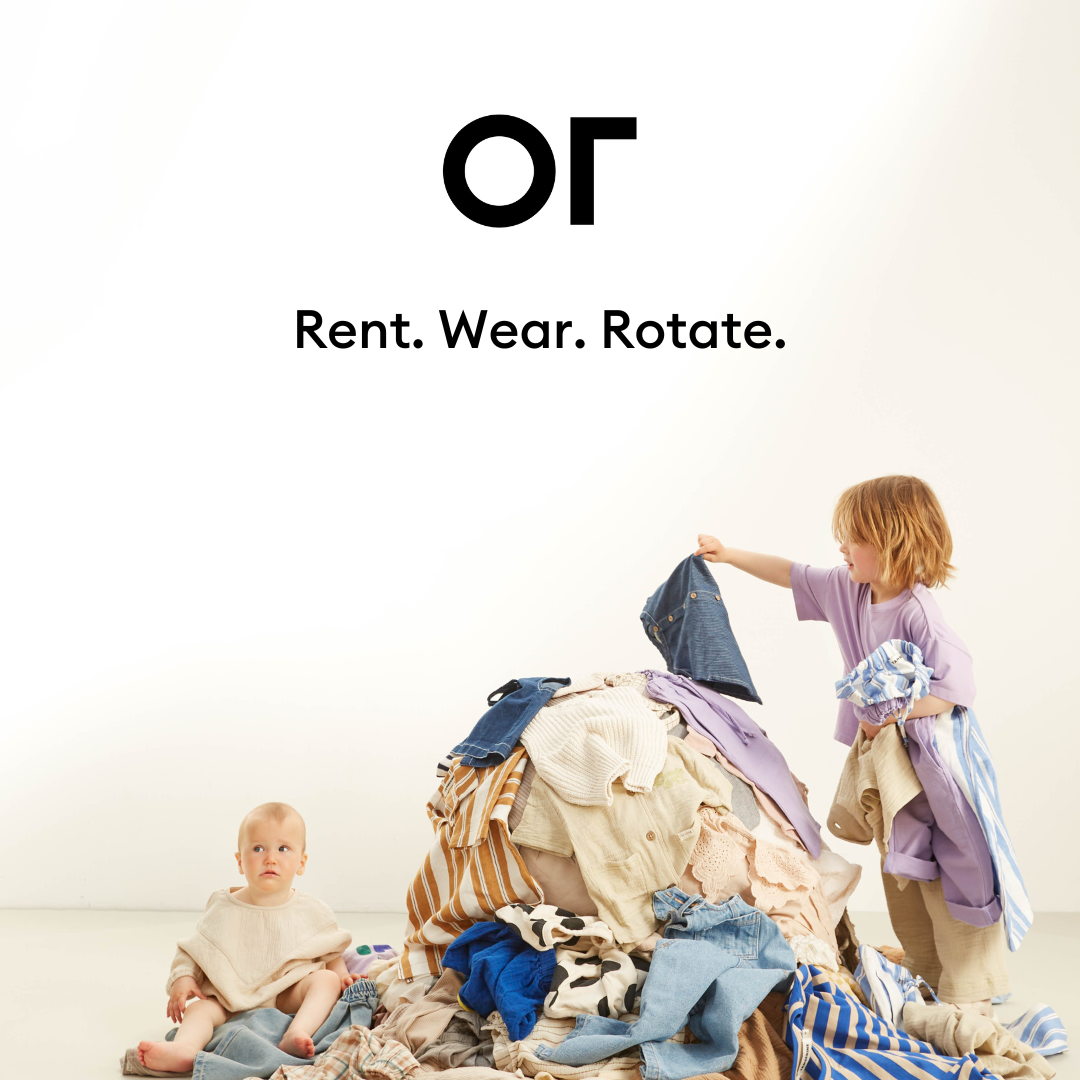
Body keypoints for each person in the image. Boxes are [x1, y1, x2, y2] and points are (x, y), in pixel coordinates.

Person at [695, 475, 1006, 1014]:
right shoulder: (849, 588)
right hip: (886, 754)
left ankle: (971, 985)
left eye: (855, 538)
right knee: (901, 860)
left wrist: (891, 711)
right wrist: (729, 554)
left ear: (893, 543)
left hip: (931, 755)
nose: (842, 547)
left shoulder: (919, 612)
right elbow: (790, 573)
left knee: (953, 859)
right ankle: (926, 969)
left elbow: (956, 690)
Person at [137, 802, 354, 1073]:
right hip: (228, 1000)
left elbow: (329, 950)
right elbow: (196, 948)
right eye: (258, 849)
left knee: (326, 980)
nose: (270, 858)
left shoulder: (312, 910)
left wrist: (342, 975)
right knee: (199, 1010)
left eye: (283, 848)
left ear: (301, 862)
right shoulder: (223, 905)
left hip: (286, 993)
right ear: (240, 861)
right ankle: (184, 1049)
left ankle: (297, 1032)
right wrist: (183, 978)